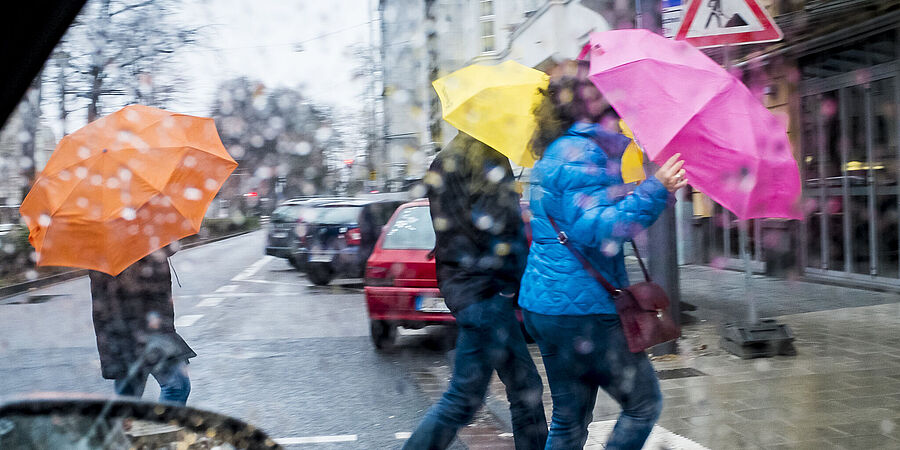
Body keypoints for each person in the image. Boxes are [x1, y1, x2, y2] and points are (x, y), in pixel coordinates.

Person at [518, 60, 687, 449]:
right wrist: (654, 190)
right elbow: (595, 228)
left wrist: (632, 190)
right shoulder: (582, 151)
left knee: (569, 419)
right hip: (583, 311)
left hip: (548, 304)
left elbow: (578, 212)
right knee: (643, 403)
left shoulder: (558, 151)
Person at [403, 132, 549, 450]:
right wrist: (511, 285)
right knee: (485, 395)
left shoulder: (443, 161)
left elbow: (452, 228)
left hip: (464, 286)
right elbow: (499, 231)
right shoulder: (487, 159)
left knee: (499, 391)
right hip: (486, 291)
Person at [88, 244, 195, 404]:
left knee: (128, 397)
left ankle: (119, 427)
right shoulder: (128, 241)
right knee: (176, 386)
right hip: (141, 328)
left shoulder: (126, 238)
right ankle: (164, 427)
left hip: (132, 329)